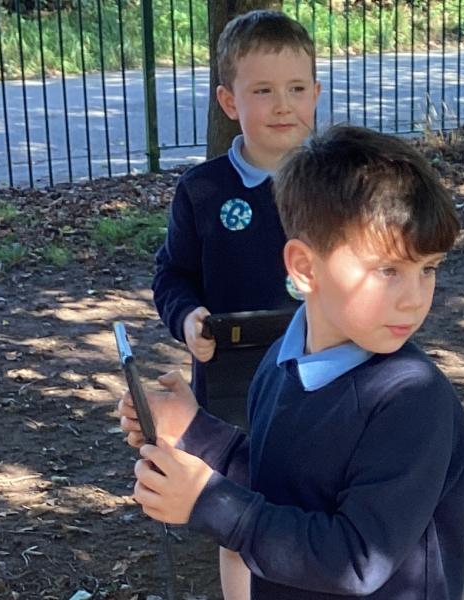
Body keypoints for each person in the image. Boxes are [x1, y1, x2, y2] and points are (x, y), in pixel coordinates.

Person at [123, 125, 464, 599]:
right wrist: (194, 430)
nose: (414, 298)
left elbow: (357, 560)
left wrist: (210, 501)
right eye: (388, 270)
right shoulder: (283, 360)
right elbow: (279, 486)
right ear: (305, 268)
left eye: (427, 269)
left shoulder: (411, 400)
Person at [147, 10, 320, 597]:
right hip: (233, 381)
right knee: (240, 513)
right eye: (263, 91)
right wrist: (187, 318)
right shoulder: (203, 190)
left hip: (323, 370)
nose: (283, 105)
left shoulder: (339, 186)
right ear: (228, 101)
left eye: (296, 89)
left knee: (312, 499)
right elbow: (173, 274)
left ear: (316, 92)